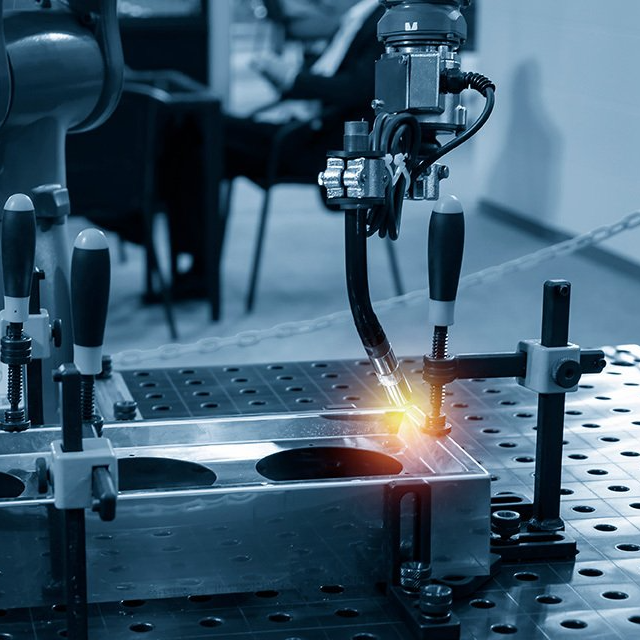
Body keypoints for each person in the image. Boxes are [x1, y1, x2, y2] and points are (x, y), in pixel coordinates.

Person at [157, 0, 384, 298]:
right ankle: (195, 266)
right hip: (303, 128)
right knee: (196, 139)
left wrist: (293, 78)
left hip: (318, 144)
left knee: (201, 129)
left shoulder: (378, 19)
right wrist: (289, 78)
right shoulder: (357, 18)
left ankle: (185, 259)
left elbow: (357, 89)